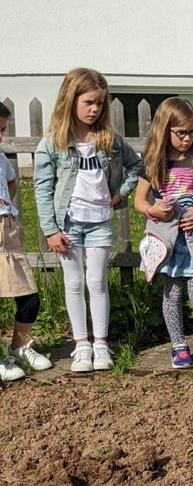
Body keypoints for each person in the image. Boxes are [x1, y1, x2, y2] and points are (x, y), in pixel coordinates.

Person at [33, 68, 141, 373]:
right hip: (68, 224)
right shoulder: (52, 143)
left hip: (99, 222)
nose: (94, 109)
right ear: (70, 100)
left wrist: (119, 193)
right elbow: (42, 189)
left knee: (97, 281)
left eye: (100, 103)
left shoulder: (110, 140)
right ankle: (81, 345)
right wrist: (50, 230)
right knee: (74, 282)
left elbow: (136, 166)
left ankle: (101, 344)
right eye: (88, 102)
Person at [135, 98, 193, 369]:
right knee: (171, 295)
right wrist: (153, 210)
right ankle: (179, 345)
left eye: (192, 132)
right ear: (165, 130)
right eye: (181, 132)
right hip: (168, 241)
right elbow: (139, 201)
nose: (187, 138)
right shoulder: (153, 163)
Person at [0, 102, 53, 381]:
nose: (0, 136)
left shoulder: (1, 159)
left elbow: (12, 181)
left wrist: (6, 204)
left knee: (29, 297)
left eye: (2, 130)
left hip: (8, 233)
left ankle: (18, 346)